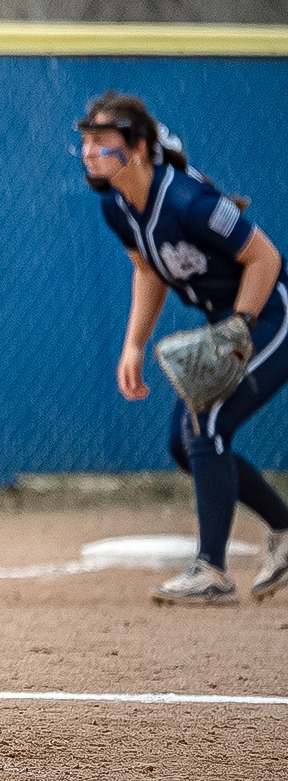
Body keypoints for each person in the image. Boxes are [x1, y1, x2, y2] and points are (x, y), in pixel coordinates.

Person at [79, 90, 288, 605]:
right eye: (85, 142)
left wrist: (240, 326)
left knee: (207, 424)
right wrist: (133, 344)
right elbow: (148, 270)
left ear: (139, 147)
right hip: (229, 323)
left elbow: (265, 259)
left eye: (103, 142)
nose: (89, 152)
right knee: (184, 443)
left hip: (271, 318)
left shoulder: (188, 202)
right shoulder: (117, 206)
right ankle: (284, 528)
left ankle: (211, 569)